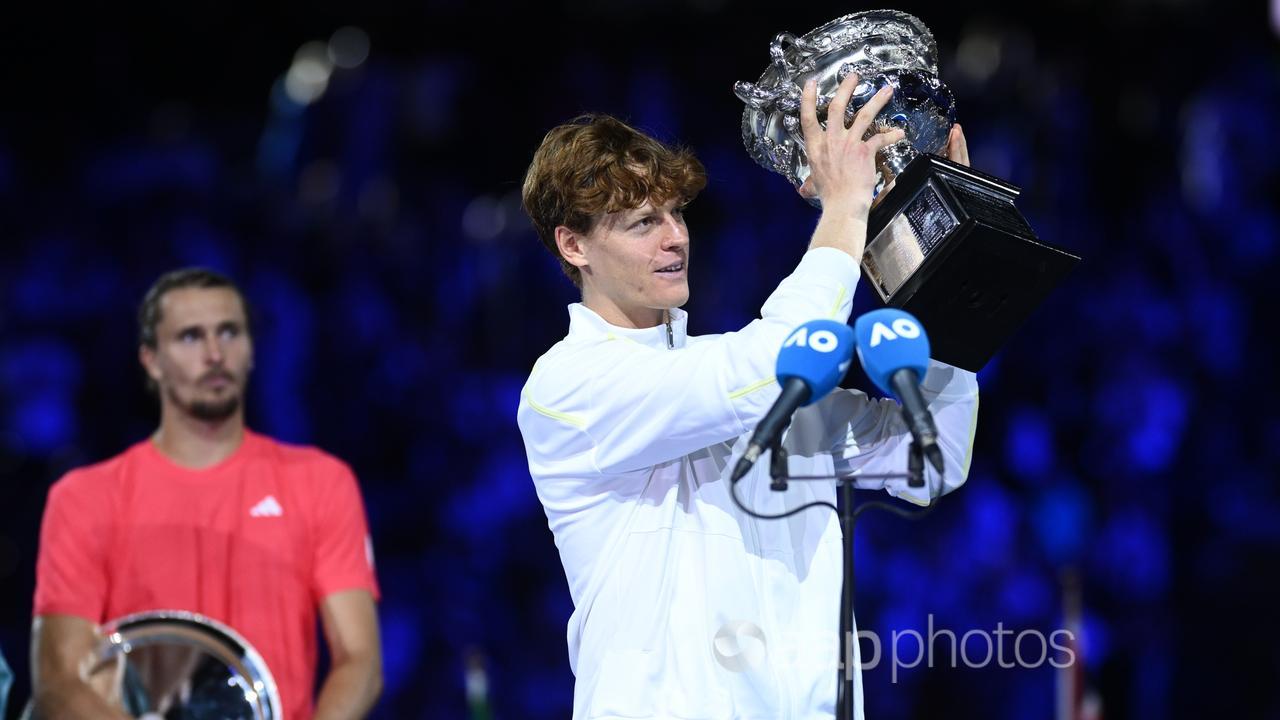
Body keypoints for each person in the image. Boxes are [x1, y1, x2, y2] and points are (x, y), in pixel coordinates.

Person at [517, 72, 980, 718]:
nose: (675, 236)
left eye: (676, 213)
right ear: (574, 245)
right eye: (643, 222)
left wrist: (949, 263)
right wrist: (845, 209)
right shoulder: (569, 386)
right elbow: (766, 368)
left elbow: (934, 459)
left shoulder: (750, 381)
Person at [30, 268, 382, 720]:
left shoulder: (321, 481)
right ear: (151, 360)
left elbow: (361, 661)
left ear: (252, 349)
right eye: (191, 337)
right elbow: (59, 679)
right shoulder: (83, 497)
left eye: (230, 332)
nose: (215, 354)